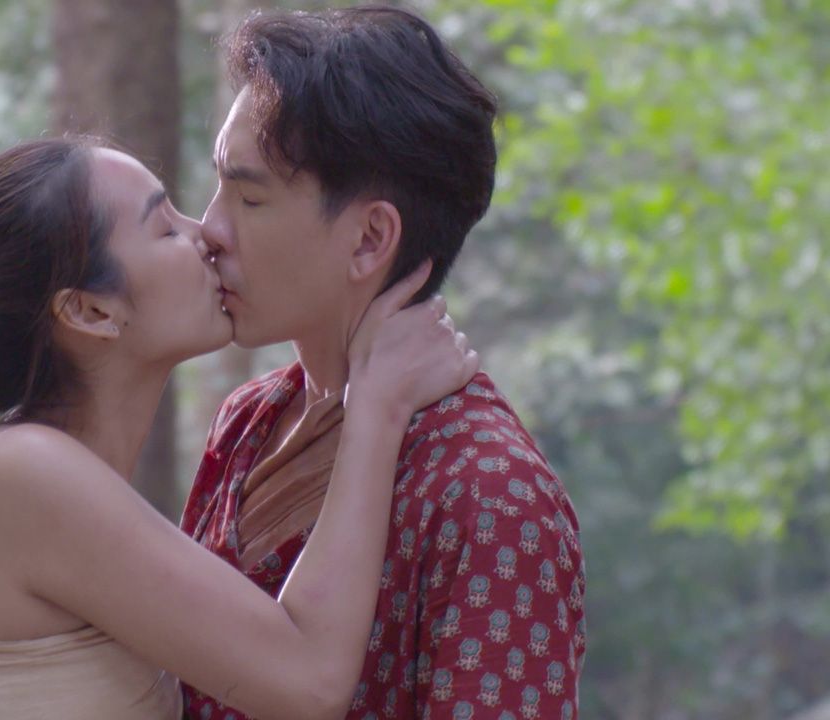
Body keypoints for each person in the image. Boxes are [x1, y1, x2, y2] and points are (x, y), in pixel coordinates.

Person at [0, 136, 478, 720]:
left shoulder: (56, 476)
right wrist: (376, 403)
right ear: (91, 311)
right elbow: (310, 681)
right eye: (165, 228)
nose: (207, 235)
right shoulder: (21, 473)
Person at [180, 7, 586, 719]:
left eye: (249, 197)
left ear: (370, 239)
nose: (209, 230)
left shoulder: (493, 495)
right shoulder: (247, 421)